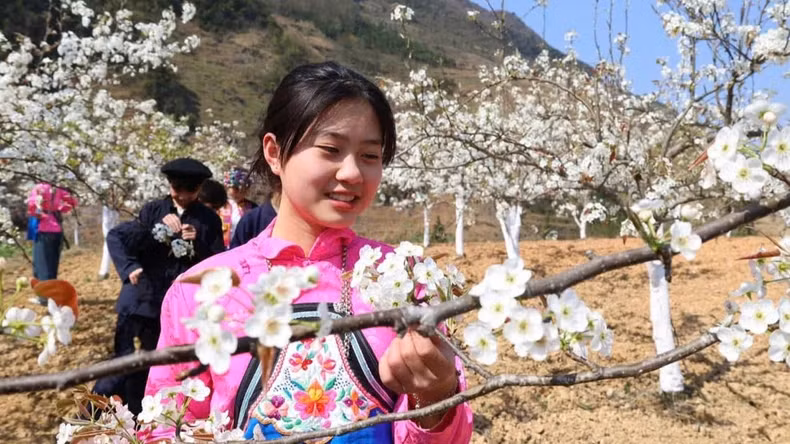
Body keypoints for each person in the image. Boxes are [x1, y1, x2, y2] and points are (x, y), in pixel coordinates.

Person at [145, 62, 473, 443]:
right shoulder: (200, 290)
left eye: (370, 156)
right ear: (274, 152)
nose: (352, 173)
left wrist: (435, 396)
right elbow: (164, 427)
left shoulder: (406, 279)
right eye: (331, 149)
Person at [93, 158, 225, 416]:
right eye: (178, 189)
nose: (183, 196)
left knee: (161, 365)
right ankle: (101, 412)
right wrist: (131, 265)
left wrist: (197, 243)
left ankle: (148, 417)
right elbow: (122, 239)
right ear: (169, 186)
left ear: (199, 189)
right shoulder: (153, 210)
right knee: (127, 362)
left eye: (191, 190)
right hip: (143, 303)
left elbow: (217, 261)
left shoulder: (208, 219)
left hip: (181, 309)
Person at [26, 183, 77, 304]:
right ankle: (50, 296)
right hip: (57, 231)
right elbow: (73, 202)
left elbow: (32, 208)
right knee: (52, 265)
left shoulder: (39, 188)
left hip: (43, 230)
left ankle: (45, 298)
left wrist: (41, 211)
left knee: (42, 265)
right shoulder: (58, 188)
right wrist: (59, 208)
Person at [219, 166, 258, 247]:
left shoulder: (253, 208)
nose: (239, 192)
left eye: (243, 189)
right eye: (235, 188)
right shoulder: (219, 204)